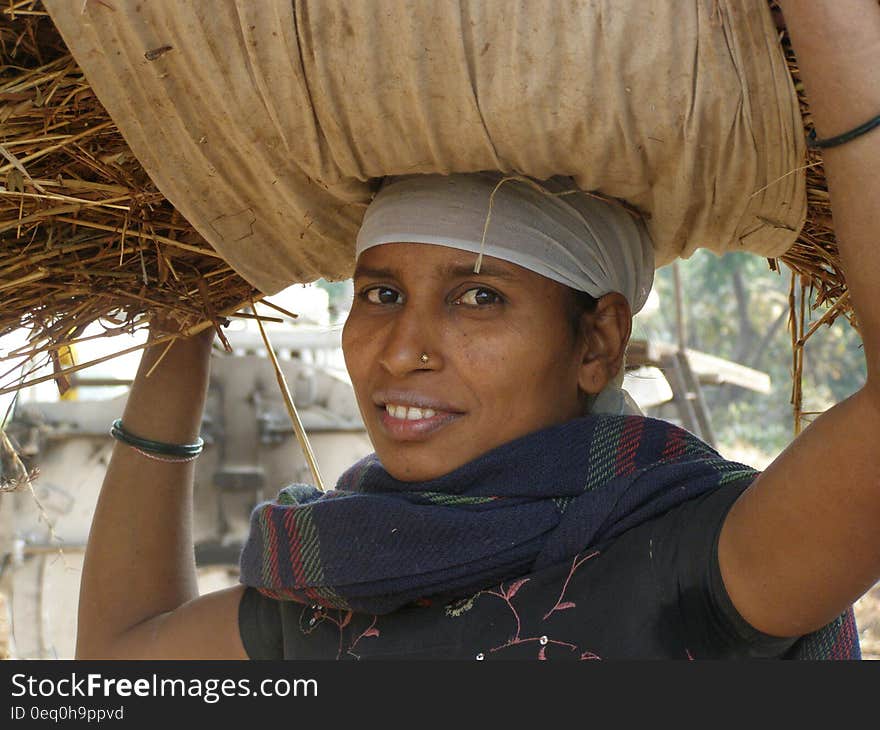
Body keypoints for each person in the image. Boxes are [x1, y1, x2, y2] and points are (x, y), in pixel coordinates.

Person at [75, 0, 879, 660]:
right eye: (381, 294)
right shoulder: (331, 589)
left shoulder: (699, 559)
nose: (400, 350)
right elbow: (115, 665)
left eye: (479, 298)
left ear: (597, 344)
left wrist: (835, 29)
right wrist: (181, 309)